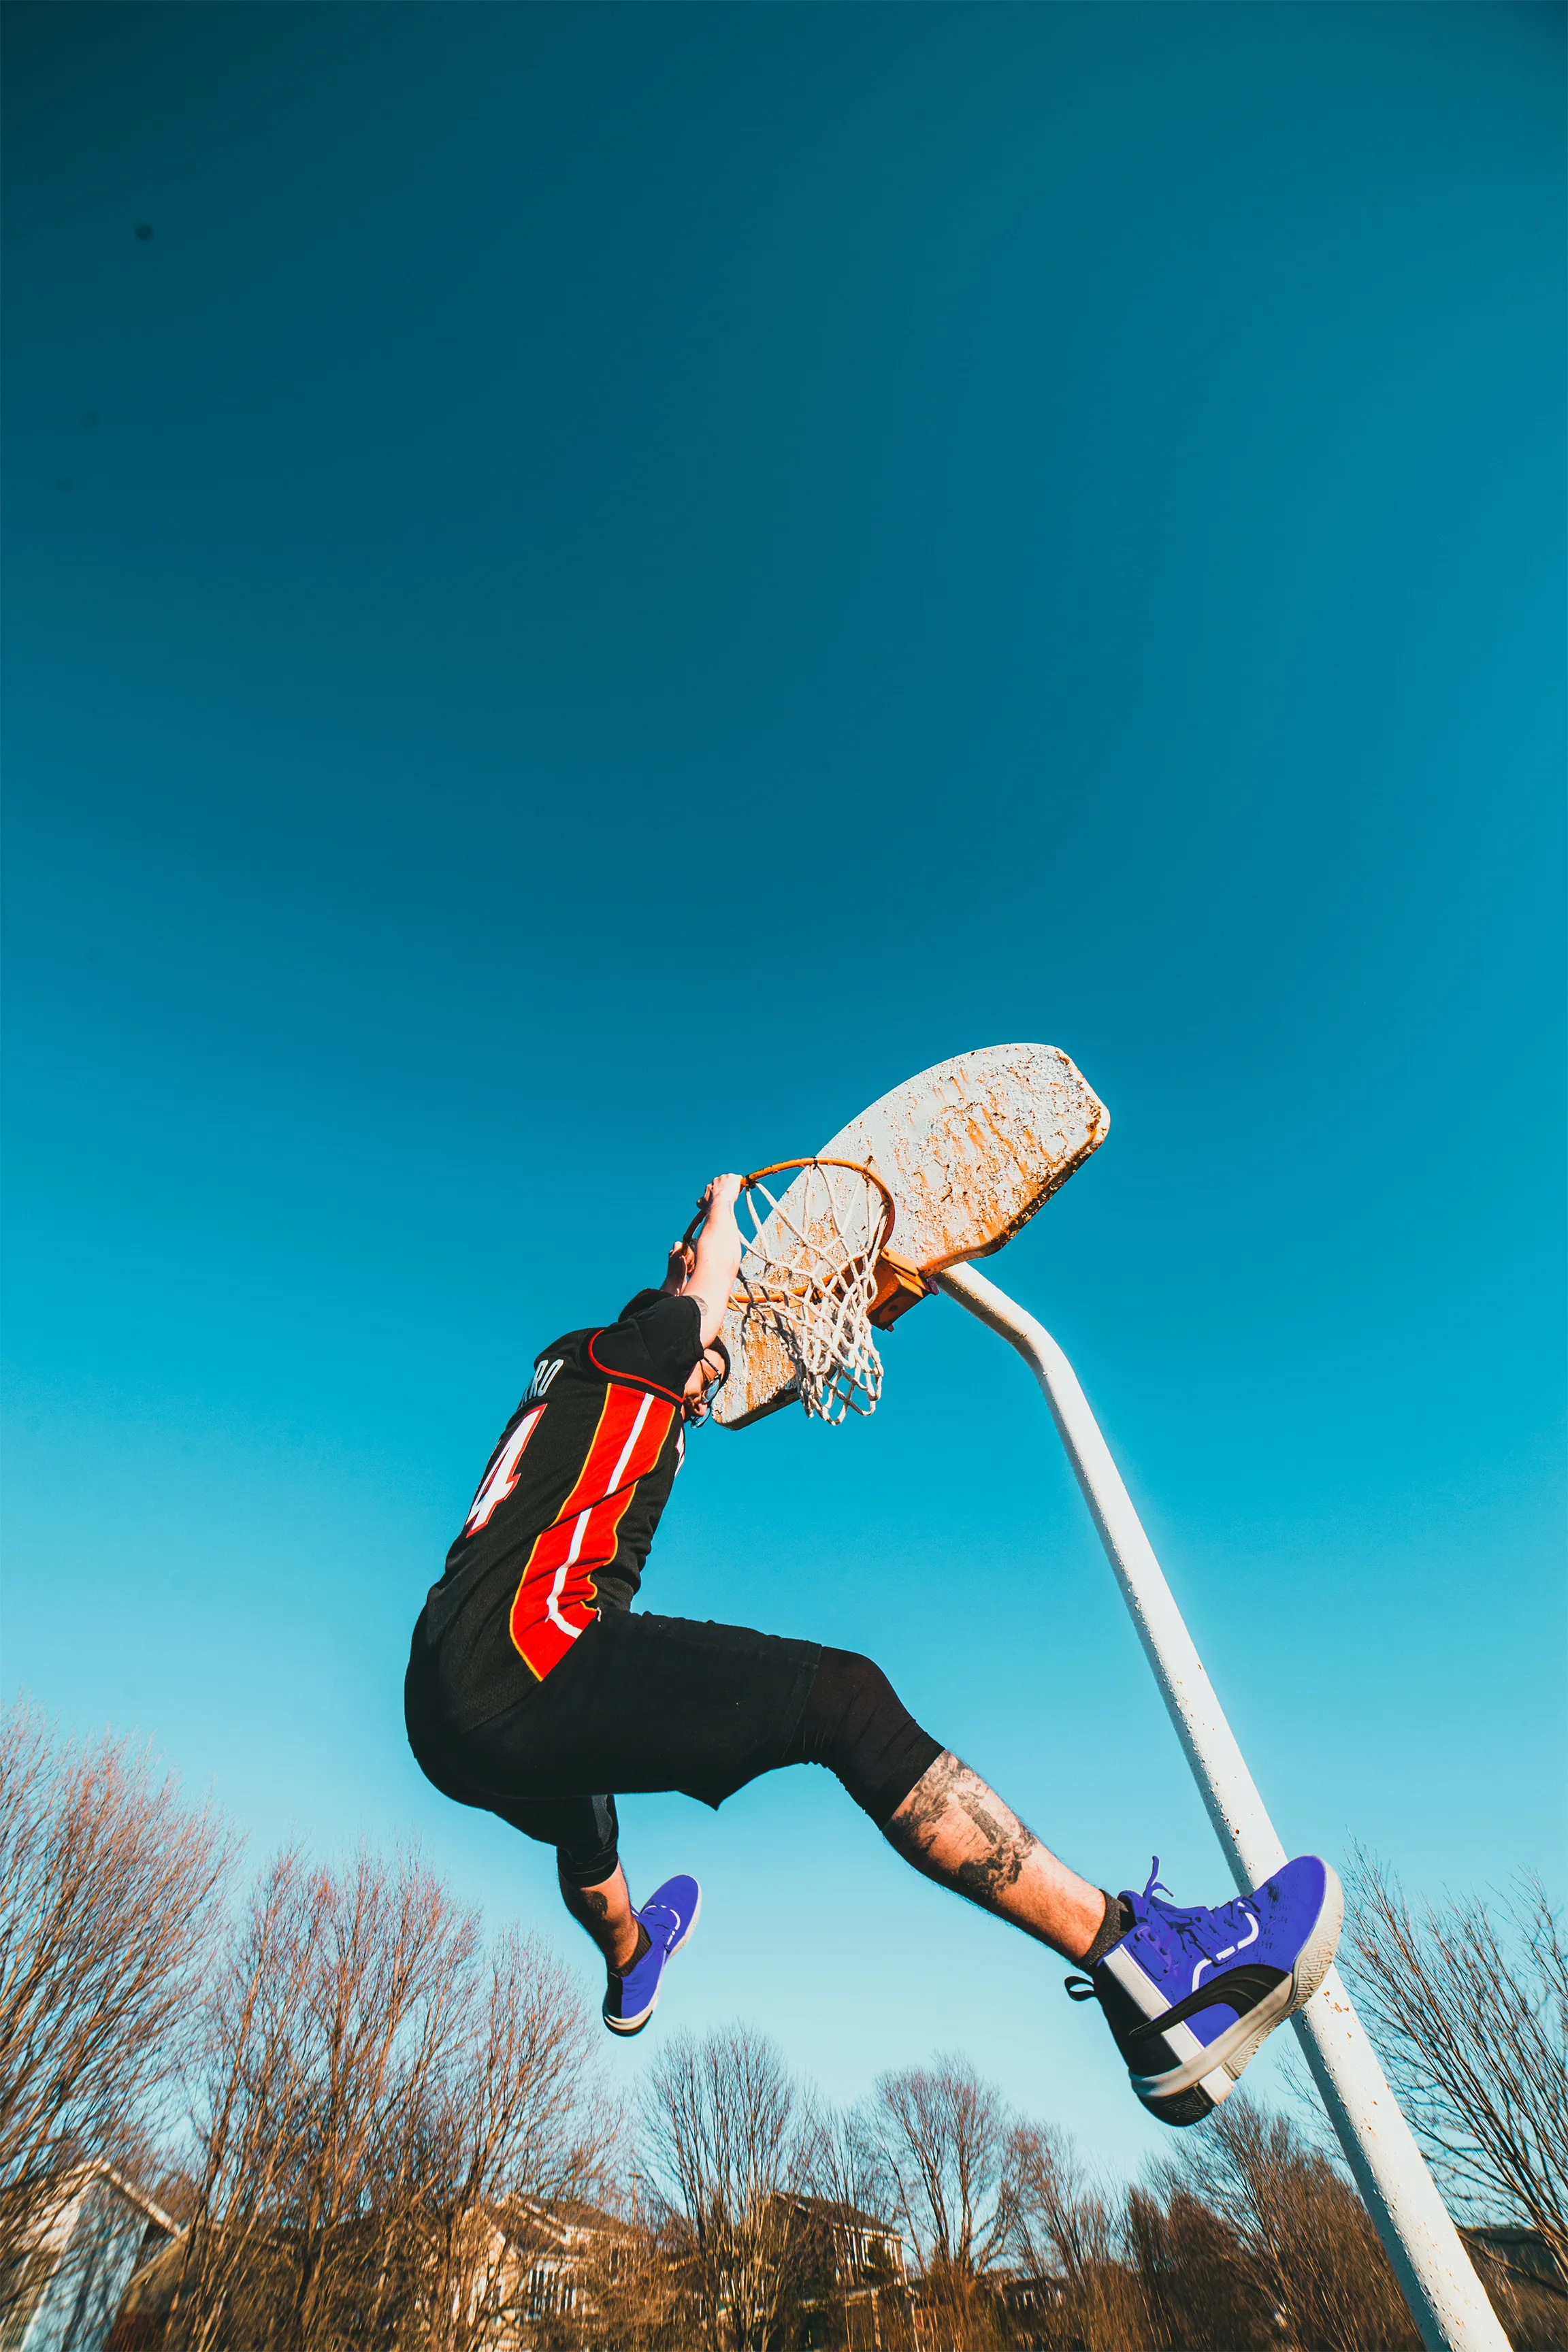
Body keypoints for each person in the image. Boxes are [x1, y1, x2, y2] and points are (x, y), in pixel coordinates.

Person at [405, 1175, 1341, 2127]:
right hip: (535, 1652)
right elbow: (694, 1301)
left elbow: (684, 1379)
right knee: (845, 1701)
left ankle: (631, 1958)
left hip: (443, 1707)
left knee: (584, 1841)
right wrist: (721, 1213)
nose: (713, 1369)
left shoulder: (586, 1408)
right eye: (710, 1355)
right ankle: (1143, 1970)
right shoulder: (636, 1342)